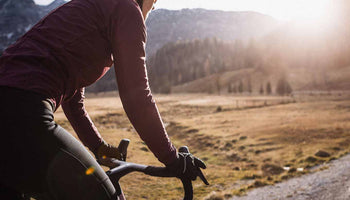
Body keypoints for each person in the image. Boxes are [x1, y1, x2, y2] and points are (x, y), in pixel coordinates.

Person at [0, 0, 206, 199]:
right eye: (152, 4)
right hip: (20, 110)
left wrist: (99, 147)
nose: (149, 12)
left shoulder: (91, 8)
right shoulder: (127, 8)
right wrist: (174, 160)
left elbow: (74, 103)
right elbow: (137, 96)